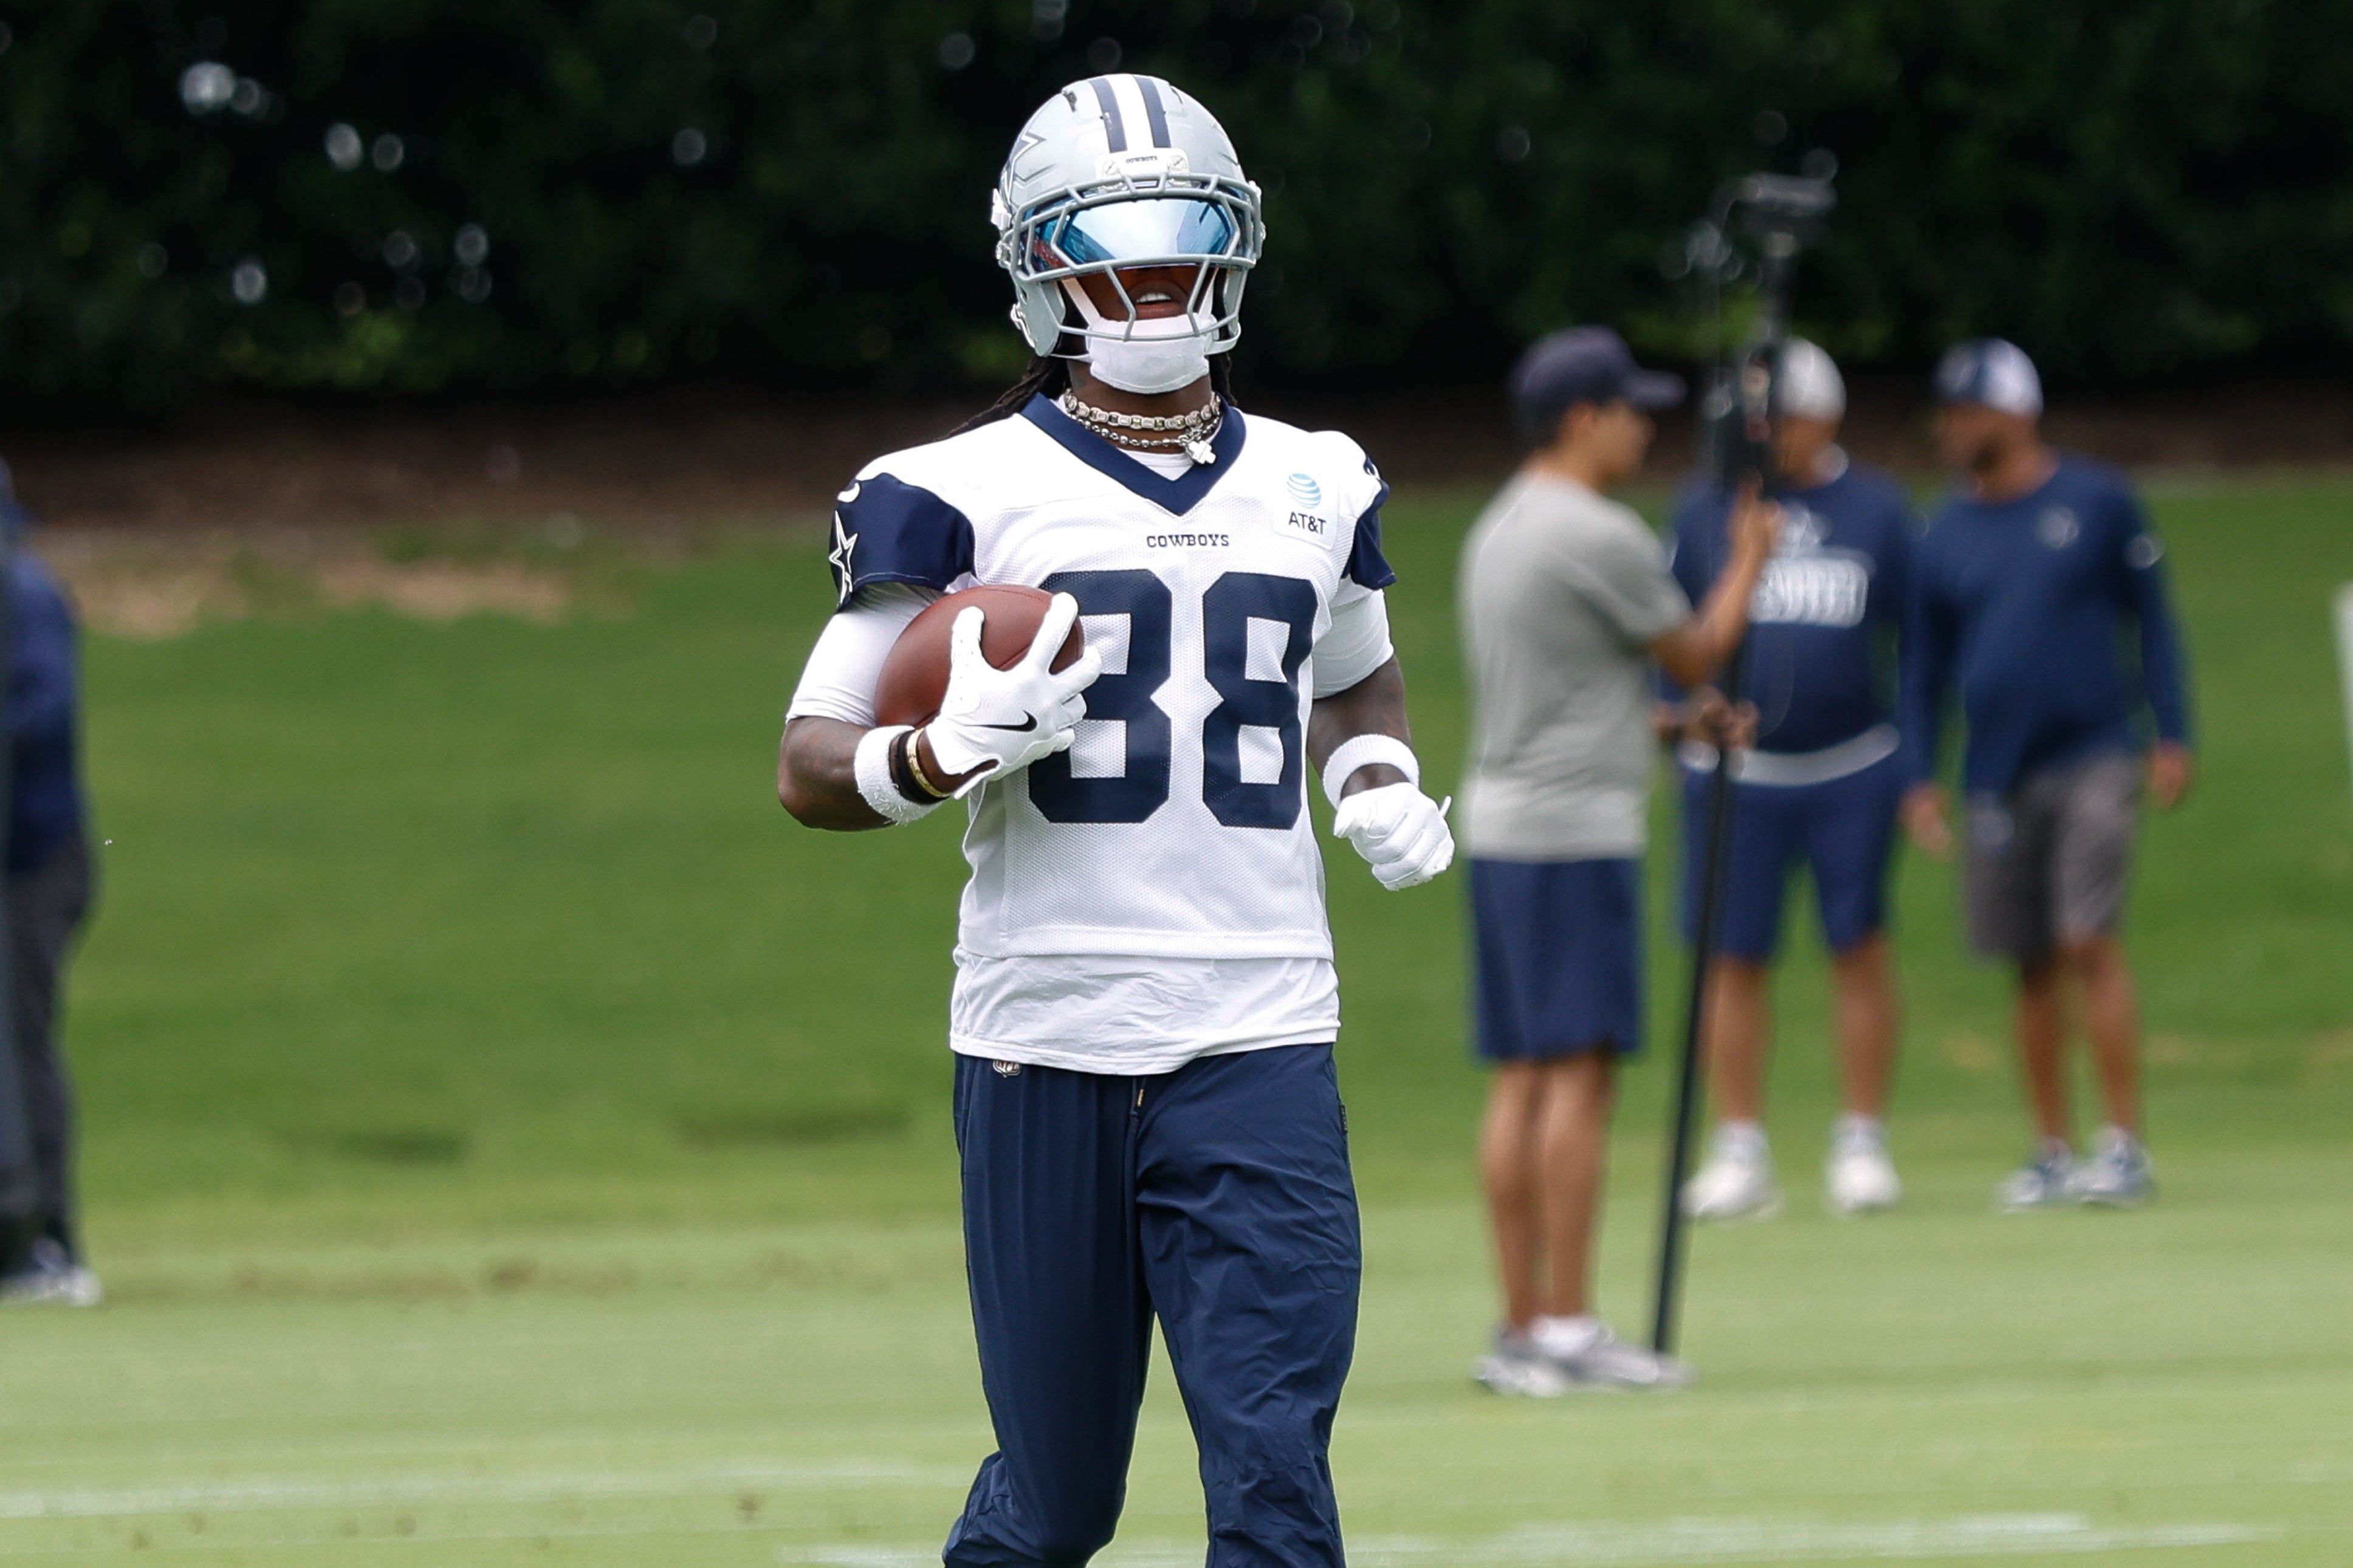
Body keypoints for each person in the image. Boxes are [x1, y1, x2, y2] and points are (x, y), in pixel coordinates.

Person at [775, 75, 1454, 1567]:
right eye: (1115, 255)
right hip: (1045, 1037)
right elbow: (811, 760)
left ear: (1234, 249)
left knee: (1277, 1486)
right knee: (1057, 1501)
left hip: (1259, 1030)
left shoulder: (1318, 477)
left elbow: (1355, 681)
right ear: (1039, 269)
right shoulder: (946, 490)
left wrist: (1376, 781)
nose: (1154, 286)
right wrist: (939, 750)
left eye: (1179, 248)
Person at [1457, 326, 1776, 1396]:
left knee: (1525, 1077)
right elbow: (1697, 647)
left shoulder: (1501, 526)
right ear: (1584, 418)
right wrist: (1749, 559)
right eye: (1632, 410)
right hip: (1573, 838)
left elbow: (1573, 696)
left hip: (1505, 826)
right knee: (1580, 1077)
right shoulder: (1596, 532)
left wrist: (1674, 730)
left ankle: (1522, 1323)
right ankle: (1565, 1324)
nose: (1646, 428)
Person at [1900, 339, 2193, 1210]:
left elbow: (2154, 619)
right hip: (1995, 768)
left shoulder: (2097, 502)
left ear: (2015, 413)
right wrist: (1921, 775)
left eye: (1967, 412)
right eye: (1946, 413)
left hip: (2096, 749)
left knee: (2086, 940)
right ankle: (2052, 1149)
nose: (1951, 429)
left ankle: (2123, 1143)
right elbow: (1923, 666)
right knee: (2027, 962)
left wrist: (2171, 731)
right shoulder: (1941, 530)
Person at [1668, 340, 1914, 1221]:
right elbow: (1675, 628)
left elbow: (1910, 640)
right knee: (1732, 957)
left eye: (1783, 419)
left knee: (1858, 943)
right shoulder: (1705, 507)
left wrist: (1913, 766)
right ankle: (1739, 1145)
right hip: (1736, 772)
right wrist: (1686, 719)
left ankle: (1861, 1137)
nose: (1767, 435)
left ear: (1824, 417)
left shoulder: (1879, 507)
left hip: (1851, 765)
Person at [0, 463, 101, 1307]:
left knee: (22, 1039)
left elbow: (39, 708)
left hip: (33, 862)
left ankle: (49, 1239)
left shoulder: (27, 597)